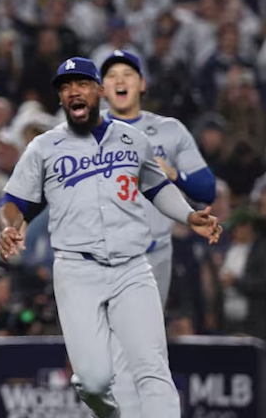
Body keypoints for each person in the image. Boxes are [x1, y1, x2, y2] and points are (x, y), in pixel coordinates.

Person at [0, 57, 222, 418]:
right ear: (60, 97)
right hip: (77, 271)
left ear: (99, 91)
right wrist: (7, 227)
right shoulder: (43, 147)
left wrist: (187, 214)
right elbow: (13, 203)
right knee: (95, 380)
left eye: (82, 83)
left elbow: (156, 186)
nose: (74, 91)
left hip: (133, 268)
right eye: (66, 86)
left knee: (153, 368)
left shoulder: (132, 139)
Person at [99, 49, 218, 415]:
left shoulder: (168, 129)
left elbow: (207, 189)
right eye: (112, 75)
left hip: (156, 252)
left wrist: (174, 175)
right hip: (107, 253)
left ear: (142, 83)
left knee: (147, 346)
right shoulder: (85, 130)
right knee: (111, 353)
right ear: (102, 88)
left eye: (128, 73)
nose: (120, 80)